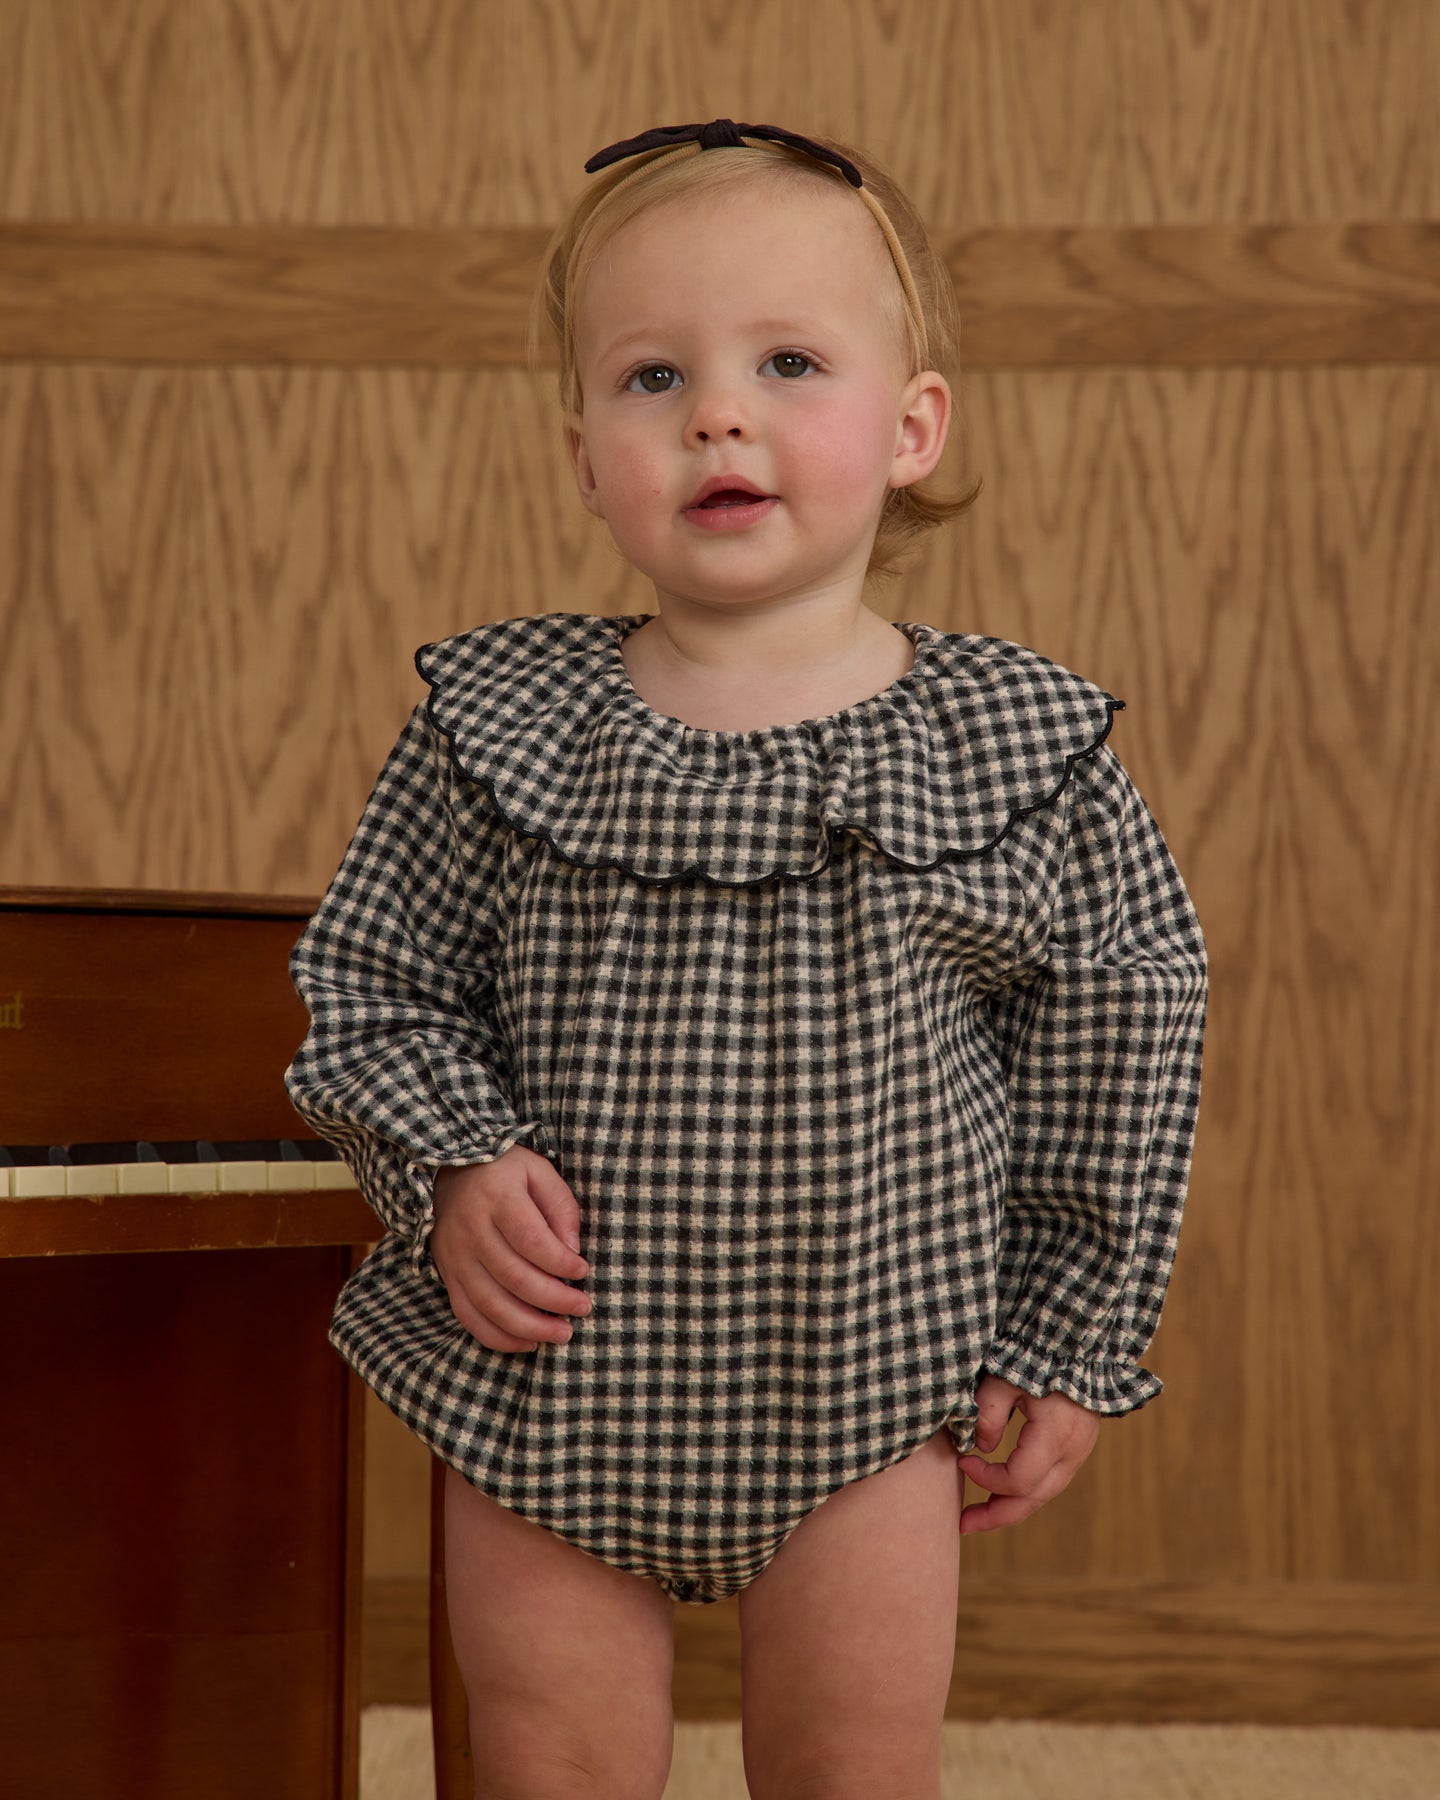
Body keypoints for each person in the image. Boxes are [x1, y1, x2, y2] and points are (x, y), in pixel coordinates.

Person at [285, 119, 1207, 1800]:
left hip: (873, 1373)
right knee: (547, 1759)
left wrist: (1065, 1333)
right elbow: (373, 978)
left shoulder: (1012, 749)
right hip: (553, 1378)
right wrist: (457, 1162)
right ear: (584, 455)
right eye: (654, 377)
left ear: (913, 426)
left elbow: (1125, 1038)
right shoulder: (503, 726)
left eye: (788, 362)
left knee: (853, 1764)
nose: (718, 413)